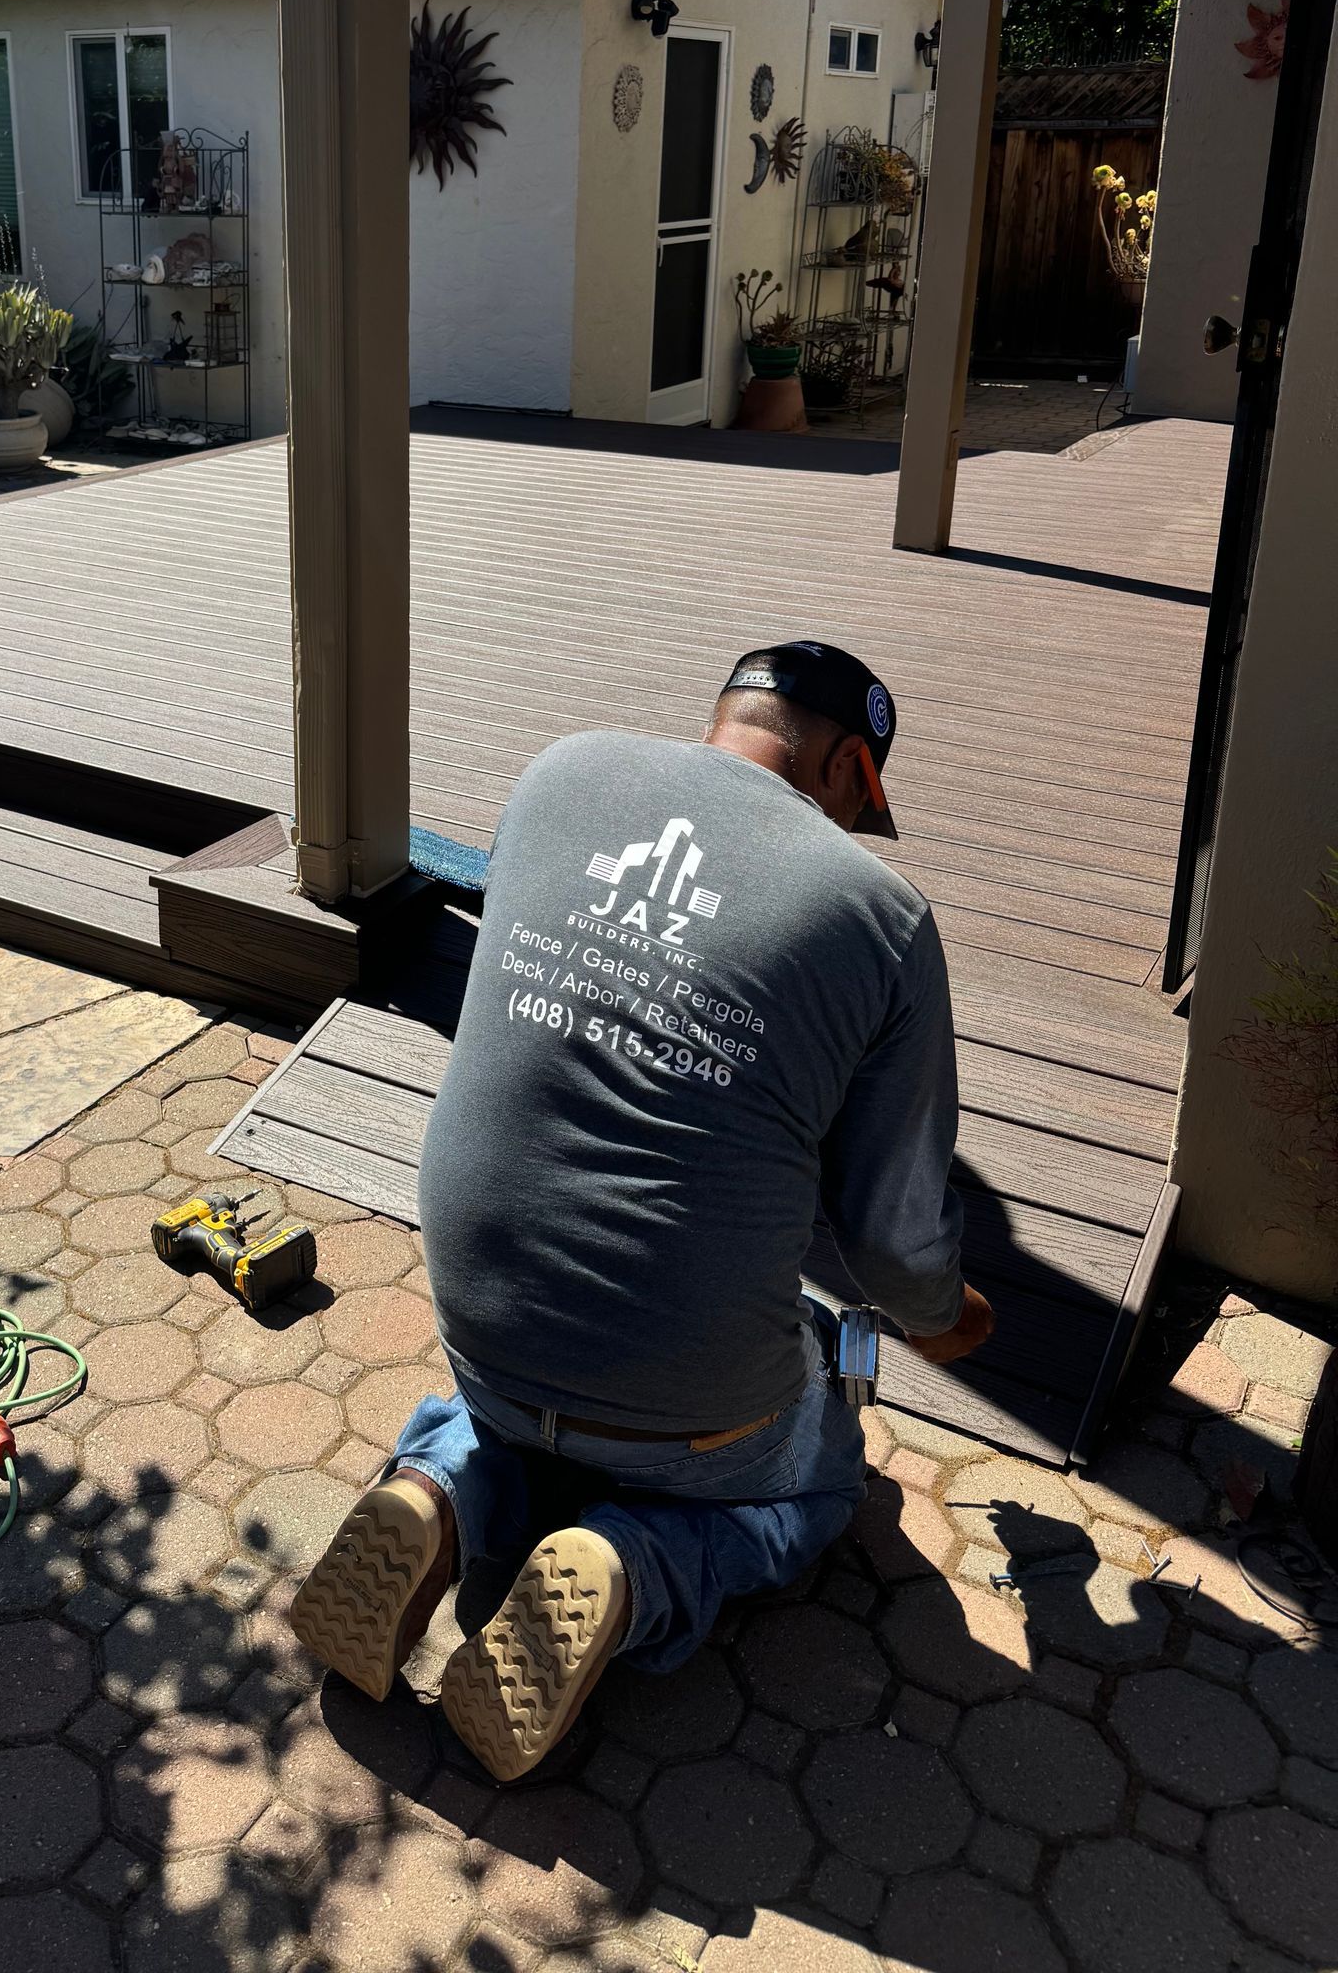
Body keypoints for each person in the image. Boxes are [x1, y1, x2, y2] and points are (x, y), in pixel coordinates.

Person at [290, 641, 995, 1781]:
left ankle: (445, 1488)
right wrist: (953, 1318)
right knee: (823, 1470)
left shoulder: (561, 772)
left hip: (485, 1309)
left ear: (727, 717)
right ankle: (639, 1561)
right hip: (688, 1381)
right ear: (853, 767)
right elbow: (890, 1243)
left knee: (542, 1413)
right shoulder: (882, 913)